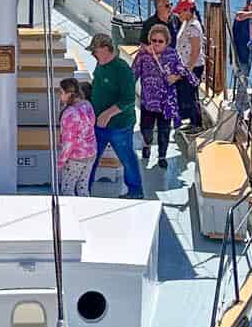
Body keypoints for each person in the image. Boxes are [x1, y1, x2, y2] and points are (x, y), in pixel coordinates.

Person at [86, 33, 144, 199]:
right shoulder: (100, 65)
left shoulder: (122, 69)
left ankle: (135, 191)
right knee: (91, 157)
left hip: (120, 126)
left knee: (126, 157)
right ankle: (84, 190)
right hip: (97, 124)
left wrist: (107, 115)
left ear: (105, 49)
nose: (93, 55)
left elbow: (128, 99)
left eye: (94, 51)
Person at [132, 24, 186, 168]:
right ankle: (147, 144)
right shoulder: (143, 55)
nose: (156, 43)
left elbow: (182, 70)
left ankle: (162, 156)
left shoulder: (172, 55)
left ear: (167, 42)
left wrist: (175, 77)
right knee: (146, 129)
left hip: (165, 102)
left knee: (164, 131)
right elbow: (133, 74)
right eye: (154, 40)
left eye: (160, 41)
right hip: (148, 101)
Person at [56, 76, 98, 197]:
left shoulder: (69, 114)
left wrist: (60, 162)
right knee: (83, 187)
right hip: (91, 153)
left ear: (69, 94)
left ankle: (71, 214)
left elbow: (69, 143)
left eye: (61, 92)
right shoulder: (87, 104)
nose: (60, 96)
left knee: (68, 189)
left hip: (75, 157)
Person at [173, 0, 206, 129]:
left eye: (180, 11)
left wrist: (188, 69)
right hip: (185, 66)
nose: (178, 14)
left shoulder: (193, 26)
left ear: (188, 10)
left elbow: (195, 50)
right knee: (185, 94)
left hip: (193, 66)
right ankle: (189, 120)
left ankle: (196, 124)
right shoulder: (187, 23)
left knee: (191, 96)